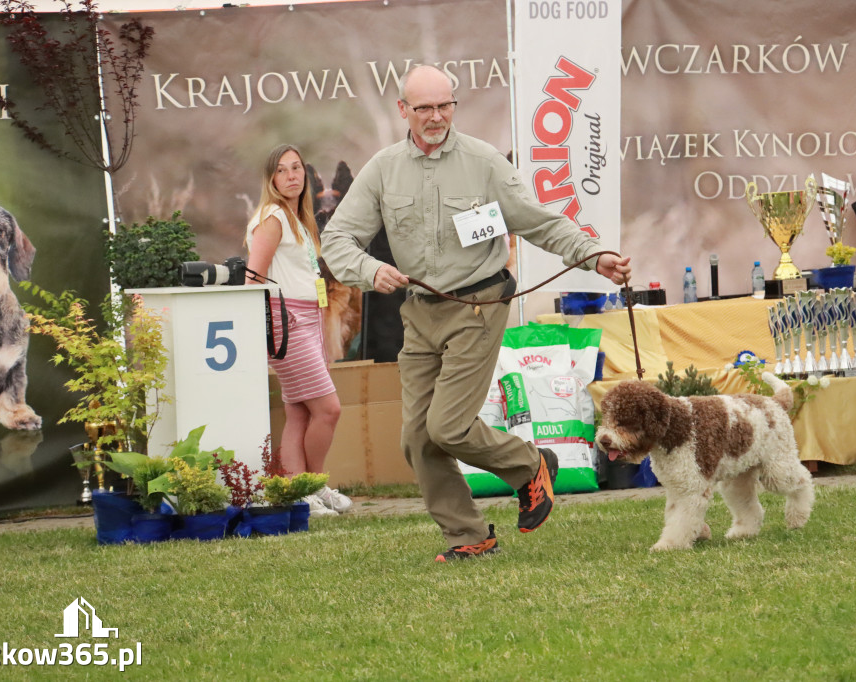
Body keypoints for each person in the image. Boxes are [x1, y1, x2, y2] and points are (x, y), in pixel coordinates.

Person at [320, 65, 632, 560]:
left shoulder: (484, 161)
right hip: (419, 314)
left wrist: (596, 256)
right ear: (403, 110)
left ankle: (529, 465)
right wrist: (368, 270)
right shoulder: (382, 168)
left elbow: (539, 223)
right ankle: (469, 536)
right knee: (418, 441)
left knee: (448, 427)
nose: (436, 116)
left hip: (479, 305)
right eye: (424, 107)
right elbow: (336, 237)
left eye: (445, 105)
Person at [246, 144, 352, 516]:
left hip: (309, 316)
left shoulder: (299, 217)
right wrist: (275, 324)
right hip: (286, 320)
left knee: (299, 412)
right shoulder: (272, 216)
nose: (292, 176)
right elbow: (252, 279)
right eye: (282, 170)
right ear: (271, 178)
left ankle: (297, 491)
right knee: (329, 409)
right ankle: (313, 484)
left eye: (296, 169)